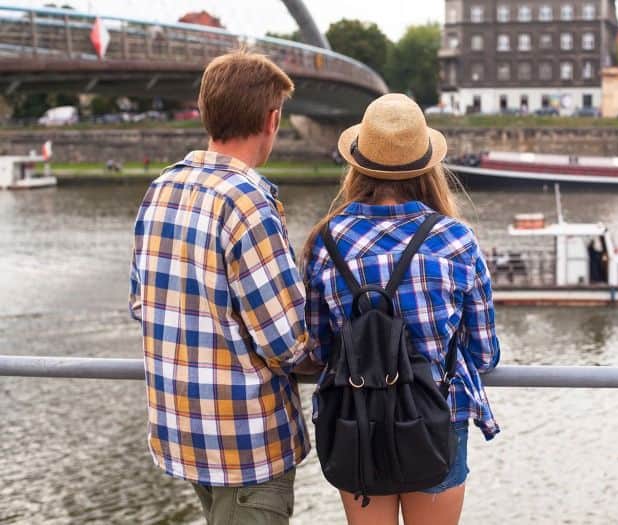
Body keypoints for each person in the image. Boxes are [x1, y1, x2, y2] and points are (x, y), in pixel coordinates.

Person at [129, 50, 311, 525]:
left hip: (184, 435)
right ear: (272, 119)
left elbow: (140, 303)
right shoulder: (248, 202)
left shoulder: (161, 189)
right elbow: (286, 342)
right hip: (246, 443)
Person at [301, 94, 501, 525]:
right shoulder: (455, 240)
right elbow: (485, 355)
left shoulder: (325, 242)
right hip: (436, 415)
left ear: (357, 164)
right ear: (429, 166)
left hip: (354, 418)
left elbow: (318, 349)